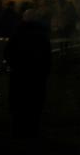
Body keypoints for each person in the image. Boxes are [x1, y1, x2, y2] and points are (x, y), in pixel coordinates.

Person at [4, 8, 51, 137]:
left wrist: (12, 64)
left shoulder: (18, 32)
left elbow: (8, 52)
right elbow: (47, 55)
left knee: (19, 103)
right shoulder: (42, 34)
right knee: (34, 104)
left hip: (20, 74)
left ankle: (18, 129)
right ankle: (31, 129)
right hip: (36, 75)